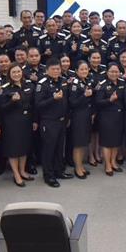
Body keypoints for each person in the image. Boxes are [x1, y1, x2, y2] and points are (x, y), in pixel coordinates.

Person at [35, 59, 71, 187]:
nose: (56, 71)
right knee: (49, 149)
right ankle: (48, 176)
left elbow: (66, 101)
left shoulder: (63, 81)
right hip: (49, 121)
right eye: (53, 69)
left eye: (58, 69)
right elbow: (38, 104)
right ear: (47, 70)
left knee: (59, 148)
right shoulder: (42, 84)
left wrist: (67, 117)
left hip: (62, 120)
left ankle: (59, 171)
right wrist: (53, 99)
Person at [0, 64, 36, 187]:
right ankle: (16, 174)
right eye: (13, 72)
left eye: (18, 71)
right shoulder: (5, 88)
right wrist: (12, 101)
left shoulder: (29, 85)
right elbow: (2, 108)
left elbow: (33, 105)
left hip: (26, 121)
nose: (16, 74)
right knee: (13, 149)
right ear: (9, 74)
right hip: (12, 123)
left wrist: (35, 120)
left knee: (24, 147)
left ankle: (22, 171)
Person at [96, 63, 126, 175]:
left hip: (119, 116)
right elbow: (98, 102)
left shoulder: (122, 83)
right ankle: (107, 164)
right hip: (106, 117)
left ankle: (113, 162)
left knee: (116, 141)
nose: (114, 74)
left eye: (116, 71)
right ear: (107, 72)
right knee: (107, 142)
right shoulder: (102, 84)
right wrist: (110, 100)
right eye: (112, 71)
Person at [68, 61, 95, 179]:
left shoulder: (87, 81)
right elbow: (73, 103)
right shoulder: (74, 83)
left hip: (87, 115)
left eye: (86, 69)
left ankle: (81, 166)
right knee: (78, 144)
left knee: (84, 142)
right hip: (78, 117)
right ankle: (77, 168)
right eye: (82, 69)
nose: (84, 71)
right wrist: (84, 95)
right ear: (76, 71)